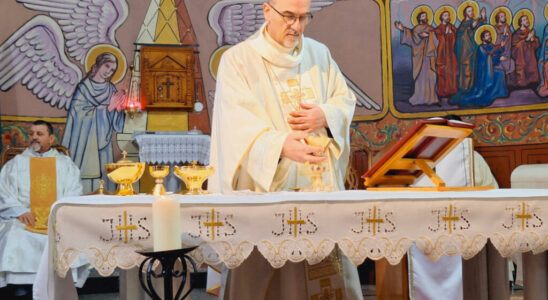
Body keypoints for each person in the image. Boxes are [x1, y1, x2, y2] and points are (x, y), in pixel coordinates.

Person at [209, 0, 362, 298]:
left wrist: (326, 114)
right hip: (267, 195)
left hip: (318, 190)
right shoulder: (238, 60)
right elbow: (234, 125)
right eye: (289, 16)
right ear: (267, 10)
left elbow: (344, 100)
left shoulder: (319, 54)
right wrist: (279, 146)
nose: (297, 26)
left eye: (305, 18)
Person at [0, 120, 89, 297]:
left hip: (56, 218)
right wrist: (19, 211)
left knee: (65, 235)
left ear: (51, 138)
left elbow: (74, 191)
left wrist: (58, 213)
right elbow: (4, 191)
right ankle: (21, 286)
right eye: (31, 134)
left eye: (39, 134)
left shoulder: (65, 164)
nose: (34, 137)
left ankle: (61, 286)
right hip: (24, 217)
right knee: (15, 234)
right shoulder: (16, 163)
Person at [62, 52, 126, 194]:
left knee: (103, 182)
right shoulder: (83, 88)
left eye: (112, 70)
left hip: (103, 144)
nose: (108, 72)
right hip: (84, 144)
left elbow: (117, 124)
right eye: (107, 66)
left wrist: (119, 109)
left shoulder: (110, 89)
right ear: (98, 64)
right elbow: (78, 114)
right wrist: (108, 108)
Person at [451, 28, 508, 107]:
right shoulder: (481, 48)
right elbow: (486, 59)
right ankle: (487, 93)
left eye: (489, 35)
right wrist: (499, 58)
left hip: (489, 69)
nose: (489, 37)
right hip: (483, 73)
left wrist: (502, 44)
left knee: (501, 73)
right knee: (499, 74)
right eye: (487, 36)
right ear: (483, 38)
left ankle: (498, 93)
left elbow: (497, 51)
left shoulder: (491, 45)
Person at [395, 11, 439, 105]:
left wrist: (430, 35)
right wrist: (403, 29)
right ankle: (420, 98)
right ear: (419, 18)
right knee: (420, 78)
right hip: (419, 58)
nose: (425, 17)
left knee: (431, 77)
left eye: (426, 16)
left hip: (429, 58)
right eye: (423, 16)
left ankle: (432, 98)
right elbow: (412, 39)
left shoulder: (430, 29)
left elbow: (435, 41)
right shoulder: (416, 29)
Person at [455, 5, 486, 92]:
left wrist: (483, 17)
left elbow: (482, 29)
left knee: (475, 69)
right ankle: (465, 88)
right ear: (465, 13)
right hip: (466, 52)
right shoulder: (463, 25)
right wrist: (471, 28)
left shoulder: (475, 21)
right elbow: (460, 36)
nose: (471, 12)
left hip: (475, 50)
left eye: (472, 11)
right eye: (469, 11)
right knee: (466, 70)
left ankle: (474, 87)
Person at [510, 14, 540, 90]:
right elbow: (514, 48)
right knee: (522, 77)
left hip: (530, 58)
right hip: (522, 58)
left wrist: (533, 39)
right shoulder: (516, 34)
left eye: (527, 19)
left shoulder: (529, 32)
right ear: (521, 22)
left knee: (532, 72)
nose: (527, 21)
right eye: (524, 20)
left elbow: (536, 45)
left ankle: (533, 85)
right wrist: (526, 40)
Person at [434, 9, 458, 98]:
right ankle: (442, 93)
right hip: (443, 56)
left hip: (452, 55)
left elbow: (458, 37)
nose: (448, 17)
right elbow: (437, 41)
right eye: (445, 15)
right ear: (441, 17)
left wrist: (452, 34)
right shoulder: (437, 29)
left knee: (452, 73)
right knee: (443, 73)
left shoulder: (452, 27)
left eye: (448, 15)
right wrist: (446, 35)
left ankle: (452, 91)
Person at [493, 10, 515, 77]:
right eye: (502, 16)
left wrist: (506, 34)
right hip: (498, 52)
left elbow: (509, 39)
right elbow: (495, 40)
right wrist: (504, 34)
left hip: (507, 51)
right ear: (498, 18)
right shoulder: (495, 28)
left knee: (510, 63)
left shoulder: (506, 27)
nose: (504, 17)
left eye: (504, 16)